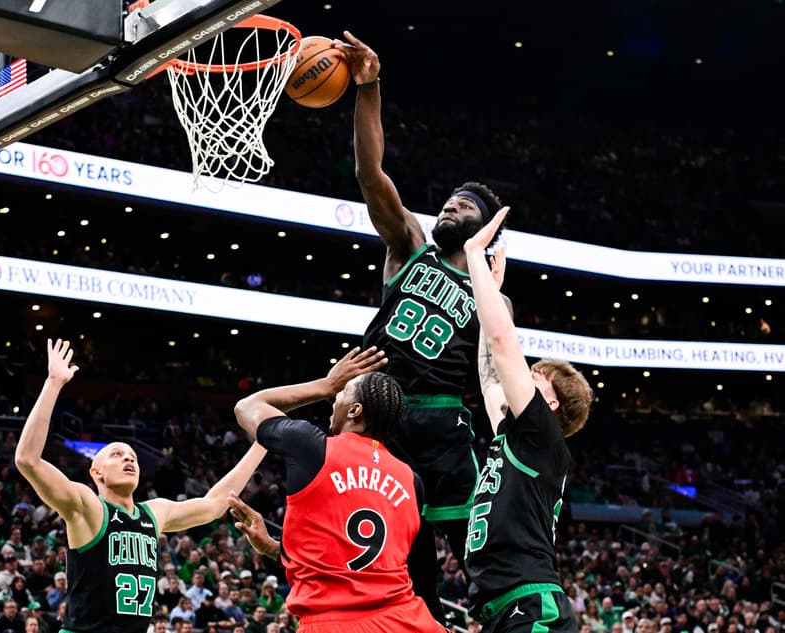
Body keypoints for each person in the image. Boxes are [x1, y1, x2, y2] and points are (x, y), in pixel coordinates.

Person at [333, 30, 510, 621]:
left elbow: (496, 375)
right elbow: (369, 172)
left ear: (484, 230)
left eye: (465, 207)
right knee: (409, 570)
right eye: (450, 201)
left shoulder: (488, 294)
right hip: (381, 408)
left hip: (446, 425)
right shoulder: (409, 245)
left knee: (483, 561)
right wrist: (368, 89)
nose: (450, 207)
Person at [15, 338, 267, 633]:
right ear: (96, 473)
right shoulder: (88, 507)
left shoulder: (154, 513)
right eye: (117, 454)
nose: (128, 459)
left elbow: (214, 505)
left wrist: (262, 443)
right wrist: (54, 383)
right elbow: (27, 460)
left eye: (132, 456)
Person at [233, 346, 445, 632]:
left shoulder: (312, 446)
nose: (334, 400)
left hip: (332, 623)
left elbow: (247, 406)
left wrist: (326, 384)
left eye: (342, 394)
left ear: (355, 410)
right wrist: (274, 547)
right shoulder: (411, 480)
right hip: (405, 620)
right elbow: (393, 572)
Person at [461, 207, 593, 633]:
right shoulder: (520, 437)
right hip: (507, 608)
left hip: (532, 606)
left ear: (550, 404)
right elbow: (489, 375)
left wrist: (474, 254)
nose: (526, 375)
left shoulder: (544, 436)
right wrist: (493, 298)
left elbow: (502, 344)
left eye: (536, 376)